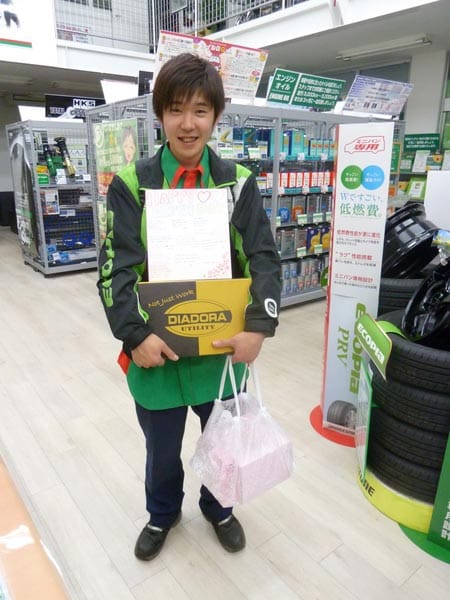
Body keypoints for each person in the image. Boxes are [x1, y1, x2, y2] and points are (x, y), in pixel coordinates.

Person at [97, 52, 281, 561]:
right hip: (157, 353)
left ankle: (219, 508)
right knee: (160, 450)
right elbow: (115, 269)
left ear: (215, 117)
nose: (187, 123)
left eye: (200, 110)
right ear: (160, 114)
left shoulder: (237, 182)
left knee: (224, 441)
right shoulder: (131, 185)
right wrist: (135, 335)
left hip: (222, 352)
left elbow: (264, 257)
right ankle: (162, 513)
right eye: (176, 109)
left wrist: (258, 327)